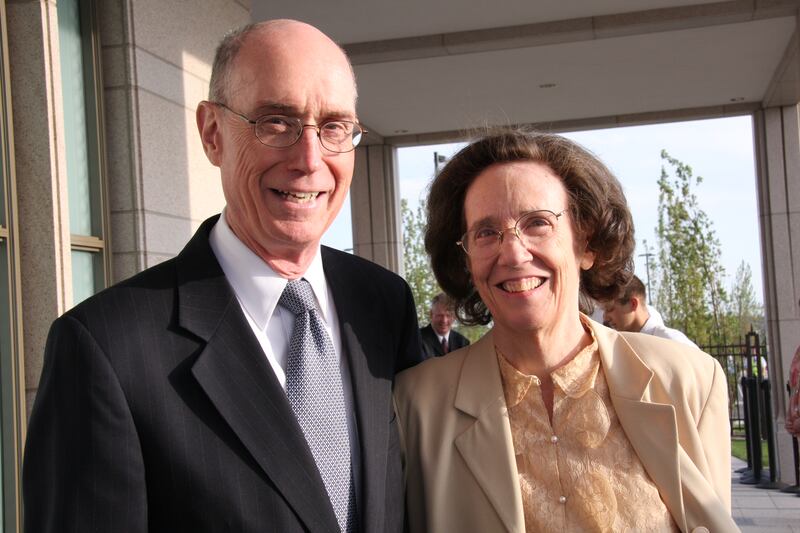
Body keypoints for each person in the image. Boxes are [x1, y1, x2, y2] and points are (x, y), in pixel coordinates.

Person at [23, 20, 422, 533]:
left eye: (334, 127)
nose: (309, 159)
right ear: (213, 134)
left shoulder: (383, 305)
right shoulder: (106, 348)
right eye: (277, 122)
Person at [394, 130, 736, 532]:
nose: (514, 252)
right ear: (466, 259)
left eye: (537, 222)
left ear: (586, 244)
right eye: (486, 232)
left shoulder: (688, 381)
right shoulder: (416, 407)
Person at [603, 275, 698, 348]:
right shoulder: (619, 346)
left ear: (633, 304)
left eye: (610, 309)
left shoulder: (672, 342)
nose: (605, 317)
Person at [420, 292, 470, 357]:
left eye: (448, 315)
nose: (444, 320)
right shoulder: (418, 339)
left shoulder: (463, 343)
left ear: (454, 316)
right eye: (439, 315)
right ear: (431, 314)